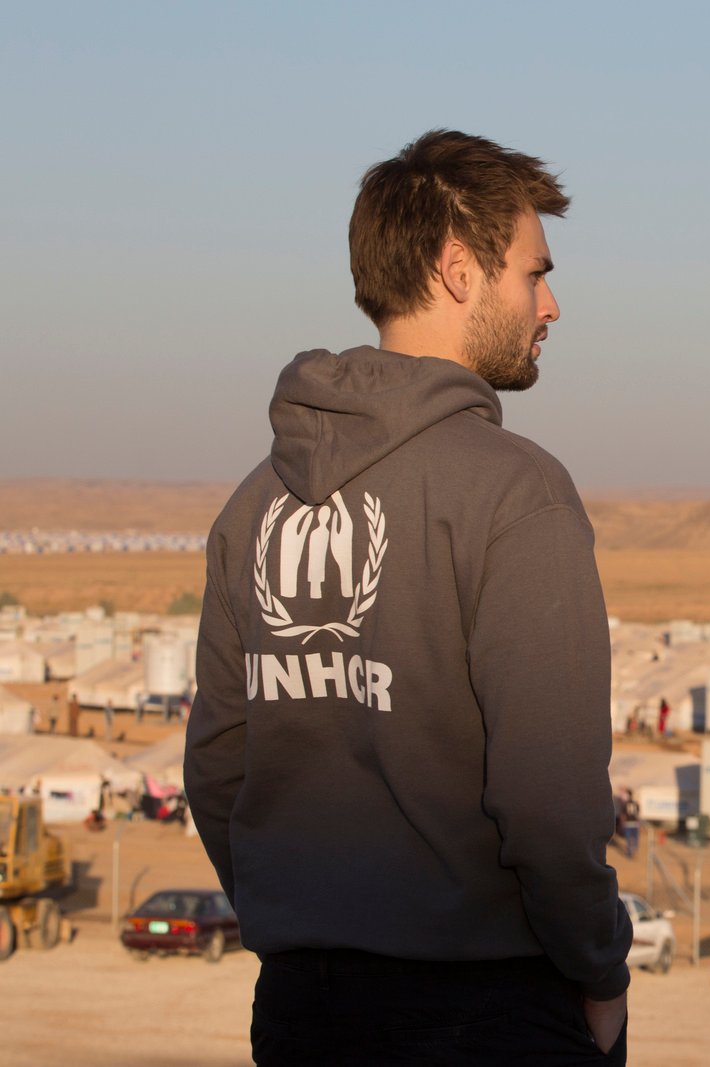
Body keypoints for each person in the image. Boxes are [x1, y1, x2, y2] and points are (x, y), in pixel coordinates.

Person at [184, 130, 630, 1065]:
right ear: (458, 268)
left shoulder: (251, 504)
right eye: (532, 273)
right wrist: (599, 973)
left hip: (302, 1011)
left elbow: (221, 765)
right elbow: (548, 798)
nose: (550, 304)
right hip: (489, 1008)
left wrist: (303, 917)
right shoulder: (517, 491)